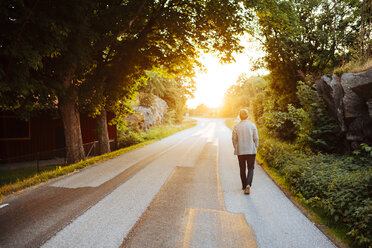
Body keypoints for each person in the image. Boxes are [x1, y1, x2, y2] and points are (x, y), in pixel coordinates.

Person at [232, 109, 259, 194]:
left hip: (240, 151)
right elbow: (256, 138)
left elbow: (234, 139)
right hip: (251, 150)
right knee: (251, 168)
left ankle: (244, 186)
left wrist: (236, 147)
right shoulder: (252, 125)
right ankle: (248, 184)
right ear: (247, 116)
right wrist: (256, 147)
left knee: (242, 168)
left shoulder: (236, 127)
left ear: (240, 116)